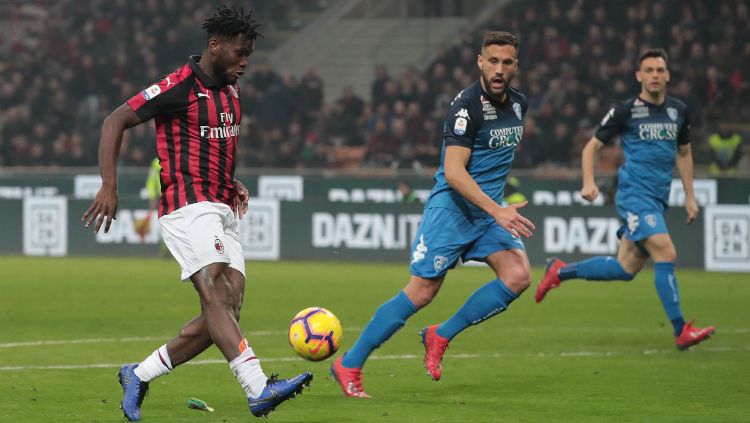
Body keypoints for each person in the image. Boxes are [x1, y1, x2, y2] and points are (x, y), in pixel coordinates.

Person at [81, 7, 312, 421]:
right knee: (214, 293)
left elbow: (215, 143)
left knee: (227, 306)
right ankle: (258, 387)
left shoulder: (231, 89)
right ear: (214, 46)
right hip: (186, 206)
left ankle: (139, 373)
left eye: (249, 56)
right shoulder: (179, 86)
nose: (244, 63)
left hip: (220, 204)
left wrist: (232, 181)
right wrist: (108, 186)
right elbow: (114, 121)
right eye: (240, 54)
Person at [331, 31, 535, 398]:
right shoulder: (466, 107)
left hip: (488, 213)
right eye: (493, 61)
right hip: (453, 211)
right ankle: (350, 363)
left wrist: (494, 208)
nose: (499, 69)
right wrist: (497, 210)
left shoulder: (518, 103)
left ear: (516, 66)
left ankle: (440, 334)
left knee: (518, 275)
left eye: (507, 62)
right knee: (422, 291)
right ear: (480, 62)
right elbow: (455, 173)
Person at [534, 48, 715, 350]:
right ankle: (680, 330)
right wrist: (589, 182)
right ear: (639, 75)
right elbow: (591, 147)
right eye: (649, 70)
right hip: (634, 195)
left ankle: (559, 271)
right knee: (666, 253)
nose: (655, 75)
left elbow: (684, 153)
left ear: (667, 75)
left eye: (660, 70)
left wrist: (690, 196)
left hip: (657, 198)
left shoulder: (678, 111)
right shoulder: (626, 110)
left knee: (625, 268)